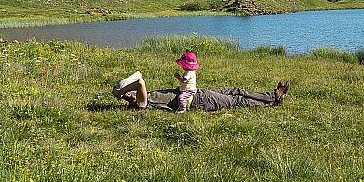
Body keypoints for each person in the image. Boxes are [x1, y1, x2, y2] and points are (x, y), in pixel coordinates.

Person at [112, 71, 290, 112]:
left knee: (234, 91)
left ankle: (272, 95)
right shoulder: (142, 104)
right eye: (127, 94)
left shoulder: (143, 96)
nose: (129, 93)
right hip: (198, 101)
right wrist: (119, 93)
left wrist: (121, 85)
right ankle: (273, 100)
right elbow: (140, 82)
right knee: (235, 100)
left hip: (196, 92)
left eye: (129, 91)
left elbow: (138, 74)